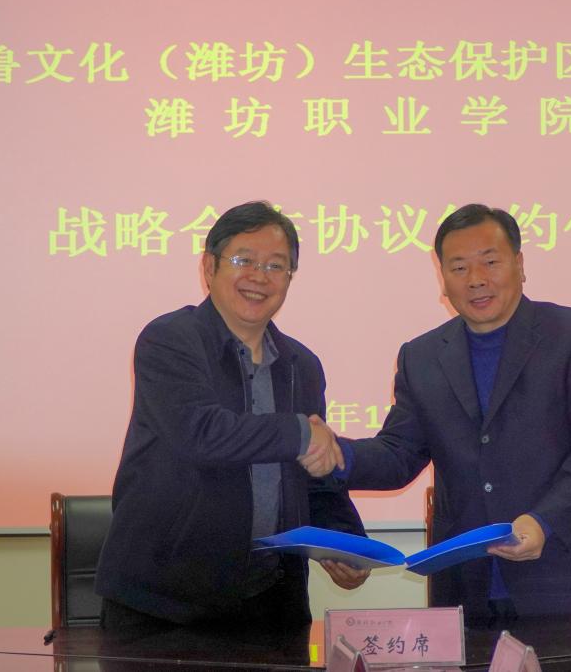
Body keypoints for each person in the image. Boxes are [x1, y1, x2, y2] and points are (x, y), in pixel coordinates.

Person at [336, 204, 571, 620]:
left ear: (520, 265)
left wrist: (544, 521)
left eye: (490, 262)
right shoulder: (421, 356)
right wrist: (337, 455)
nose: (476, 279)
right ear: (442, 279)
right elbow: (399, 453)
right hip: (467, 593)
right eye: (459, 268)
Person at [95, 201, 369, 629]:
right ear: (209, 267)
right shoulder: (169, 340)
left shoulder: (302, 366)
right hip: (163, 603)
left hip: (273, 603)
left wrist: (347, 541)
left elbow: (312, 476)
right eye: (244, 260)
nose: (260, 276)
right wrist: (299, 432)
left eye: (276, 266)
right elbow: (201, 433)